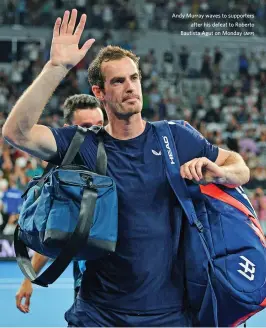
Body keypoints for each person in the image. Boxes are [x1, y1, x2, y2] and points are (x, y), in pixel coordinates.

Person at [3, 9, 250, 327]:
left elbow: (239, 166)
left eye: (134, 78)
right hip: (98, 314)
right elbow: (16, 133)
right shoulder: (84, 145)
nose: (130, 87)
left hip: (170, 315)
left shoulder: (176, 137)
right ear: (99, 93)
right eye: (118, 81)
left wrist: (224, 173)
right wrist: (55, 68)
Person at [15, 94, 104, 313]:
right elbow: (55, 231)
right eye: (85, 127)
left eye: (100, 126)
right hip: (91, 286)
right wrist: (29, 279)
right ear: (67, 131)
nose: (94, 134)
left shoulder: (122, 160)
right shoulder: (64, 181)